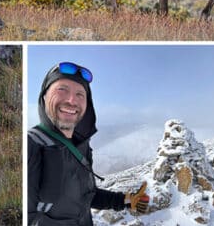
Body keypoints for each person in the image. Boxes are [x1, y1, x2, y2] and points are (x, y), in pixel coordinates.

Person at [28, 62, 150, 225]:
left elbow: (86, 196)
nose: (72, 100)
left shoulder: (81, 147)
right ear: (44, 96)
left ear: (87, 105)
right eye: (62, 89)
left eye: (80, 94)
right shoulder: (31, 145)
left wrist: (126, 201)